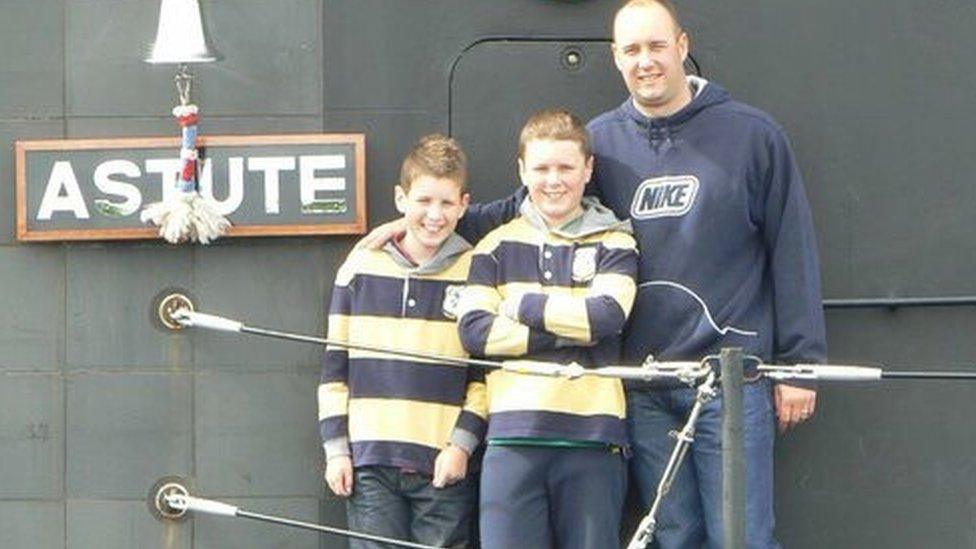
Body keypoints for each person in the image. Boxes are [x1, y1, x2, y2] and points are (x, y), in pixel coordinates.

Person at [361, 1, 826, 546]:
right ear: (616, 58)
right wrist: (429, 222)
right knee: (672, 535)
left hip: (731, 380)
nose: (645, 61)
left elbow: (791, 247)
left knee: (740, 537)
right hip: (644, 383)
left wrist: (800, 365)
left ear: (682, 46)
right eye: (631, 50)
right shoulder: (603, 142)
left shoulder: (752, 136)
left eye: (656, 46)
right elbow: (528, 204)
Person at [457, 108, 639, 549]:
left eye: (565, 167)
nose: (553, 180)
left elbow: (605, 317)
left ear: (588, 169)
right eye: (541, 168)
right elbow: (476, 333)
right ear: (522, 170)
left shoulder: (616, 242)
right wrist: (570, 329)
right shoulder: (494, 247)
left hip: (593, 441)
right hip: (511, 439)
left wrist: (522, 305)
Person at [318, 134, 487, 548]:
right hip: (370, 462)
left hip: (443, 464)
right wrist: (337, 450)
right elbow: (334, 369)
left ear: (464, 204)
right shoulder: (359, 267)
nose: (434, 215)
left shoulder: (479, 271)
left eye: (447, 203)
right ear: (400, 199)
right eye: (424, 201)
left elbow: (484, 380)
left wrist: (461, 447)